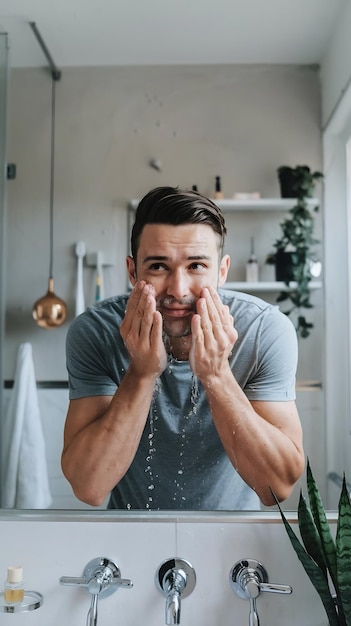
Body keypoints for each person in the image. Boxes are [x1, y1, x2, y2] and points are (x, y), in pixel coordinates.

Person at [61, 186, 304, 511]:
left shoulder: (264, 330)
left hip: (233, 543)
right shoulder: (95, 332)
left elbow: (276, 488)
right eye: (159, 266)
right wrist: (142, 372)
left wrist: (216, 374)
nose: (177, 290)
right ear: (133, 272)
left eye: (196, 266)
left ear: (221, 271)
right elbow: (89, 487)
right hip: (129, 538)